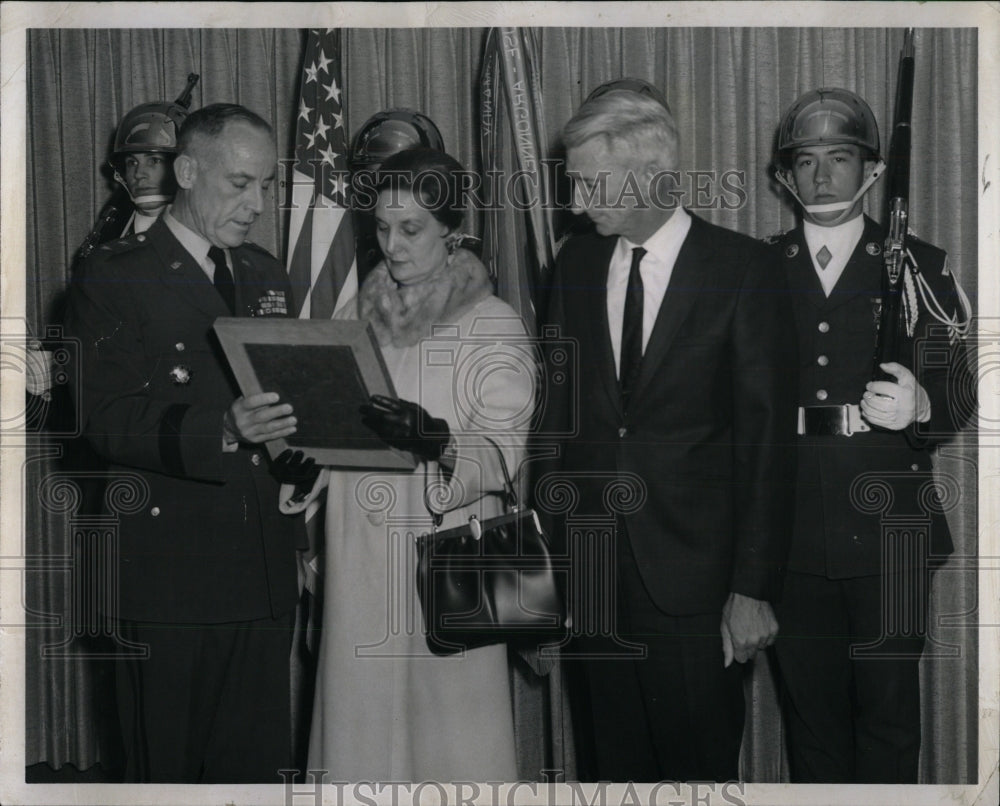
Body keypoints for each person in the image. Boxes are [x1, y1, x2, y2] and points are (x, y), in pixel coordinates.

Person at [536, 88, 798, 782]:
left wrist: (752, 589)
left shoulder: (745, 271)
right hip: (590, 579)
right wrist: (542, 573)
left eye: (590, 182)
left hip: (696, 588)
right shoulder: (575, 265)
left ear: (650, 172)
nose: (576, 201)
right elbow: (553, 425)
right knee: (607, 773)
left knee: (694, 775)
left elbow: (768, 445)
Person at [64, 103, 306, 783]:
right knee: (165, 773)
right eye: (239, 184)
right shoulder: (114, 274)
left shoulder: (266, 277)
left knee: (255, 771)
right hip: (168, 576)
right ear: (188, 171)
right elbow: (102, 417)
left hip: (261, 569)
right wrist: (219, 428)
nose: (256, 203)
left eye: (265, 185)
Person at [281, 147, 532, 781]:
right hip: (360, 563)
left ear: (451, 231)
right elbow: (330, 439)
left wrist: (440, 441)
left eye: (411, 229)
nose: (392, 245)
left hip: (446, 562)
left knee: (452, 750)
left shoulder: (491, 323)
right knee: (357, 741)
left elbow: (504, 452)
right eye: (383, 228)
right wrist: (305, 470)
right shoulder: (350, 319)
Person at [768, 87, 973, 783]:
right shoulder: (756, 272)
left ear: (874, 172)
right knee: (812, 724)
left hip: (890, 528)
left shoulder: (920, 263)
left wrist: (922, 407)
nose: (822, 175)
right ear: (782, 177)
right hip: (790, 531)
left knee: (887, 722)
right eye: (806, 161)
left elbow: (959, 391)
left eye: (841, 157)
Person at [75, 75, 198, 264]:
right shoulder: (110, 231)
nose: (139, 174)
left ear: (182, 168)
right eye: (132, 162)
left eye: (154, 161)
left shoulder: (204, 237)